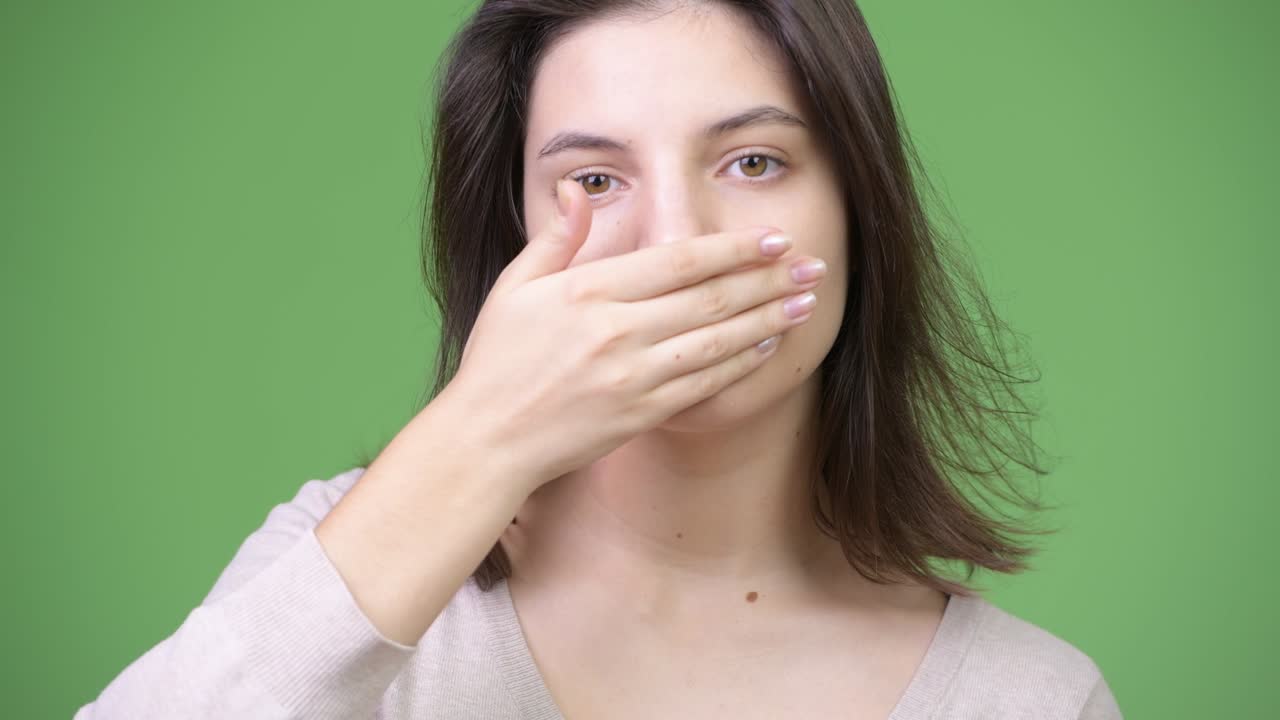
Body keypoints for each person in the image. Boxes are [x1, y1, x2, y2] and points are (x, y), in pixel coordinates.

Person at [76, 1, 1123, 718]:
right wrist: (479, 434)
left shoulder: (1022, 696)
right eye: (593, 179)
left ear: (856, 213)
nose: (674, 238)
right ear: (515, 234)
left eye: (752, 162)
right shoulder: (345, 566)